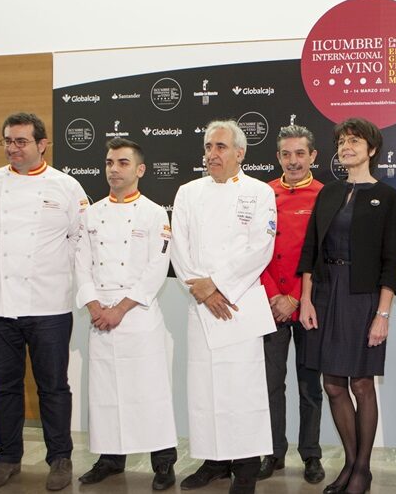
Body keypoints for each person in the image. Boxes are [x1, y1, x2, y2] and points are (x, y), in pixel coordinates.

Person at [0, 112, 88, 492]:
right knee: (3, 386)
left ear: (42, 144)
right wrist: (4, 264)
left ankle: (60, 458)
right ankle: (7, 457)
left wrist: (47, 268)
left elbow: (80, 239)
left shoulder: (66, 186)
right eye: (8, 140)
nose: (13, 148)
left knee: (53, 386)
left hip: (49, 304)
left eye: (21, 141)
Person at [170, 120, 277, 494]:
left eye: (220, 147)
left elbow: (261, 248)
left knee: (241, 391)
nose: (212, 154)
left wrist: (217, 285)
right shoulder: (188, 192)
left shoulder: (259, 192)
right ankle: (213, 461)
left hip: (239, 306)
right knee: (204, 390)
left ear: (240, 153)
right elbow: (178, 248)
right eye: (208, 147)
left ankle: (245, 469)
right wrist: (203, 292)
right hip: (202, 306)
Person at [298, 118, 396, 494]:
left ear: (372, 150)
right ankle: (349, 463)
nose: (346, 146)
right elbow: (310, 249)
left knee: (360, 382)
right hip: (326, 294)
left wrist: (383, 314)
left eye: (355, 141)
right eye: (342, 141)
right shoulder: (327, 193)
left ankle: (362, 470)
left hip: (364, 297)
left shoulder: (388, 197)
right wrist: (306, 299)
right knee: (332, 384)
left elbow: (392, 262)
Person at [73, 138, 177, 490]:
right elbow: (81, 264)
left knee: (150, 393)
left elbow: (156, 267)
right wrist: (94, 306)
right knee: (105, 394)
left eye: (122, 163)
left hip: (137, 316)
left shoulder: (154, 213)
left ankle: (163, 462)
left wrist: (120, 309)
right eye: (109, 163)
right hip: (100, 317)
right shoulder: (91, 213)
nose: (114, 169)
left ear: (140, 170)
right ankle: (110, 459)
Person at [257, 125, 326, 484]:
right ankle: (273, 451)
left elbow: (323, 253)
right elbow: (256, 250)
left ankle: (311, 454)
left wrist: (297, 297)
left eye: (300, 153)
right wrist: (274, 296)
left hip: (308, 305)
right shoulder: (264, 193)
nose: (293, 161)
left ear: (313, 156)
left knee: (309, 385)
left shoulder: (324, 195)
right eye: (286, 154)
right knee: (271, 384)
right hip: (270, 304)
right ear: (278, 157)